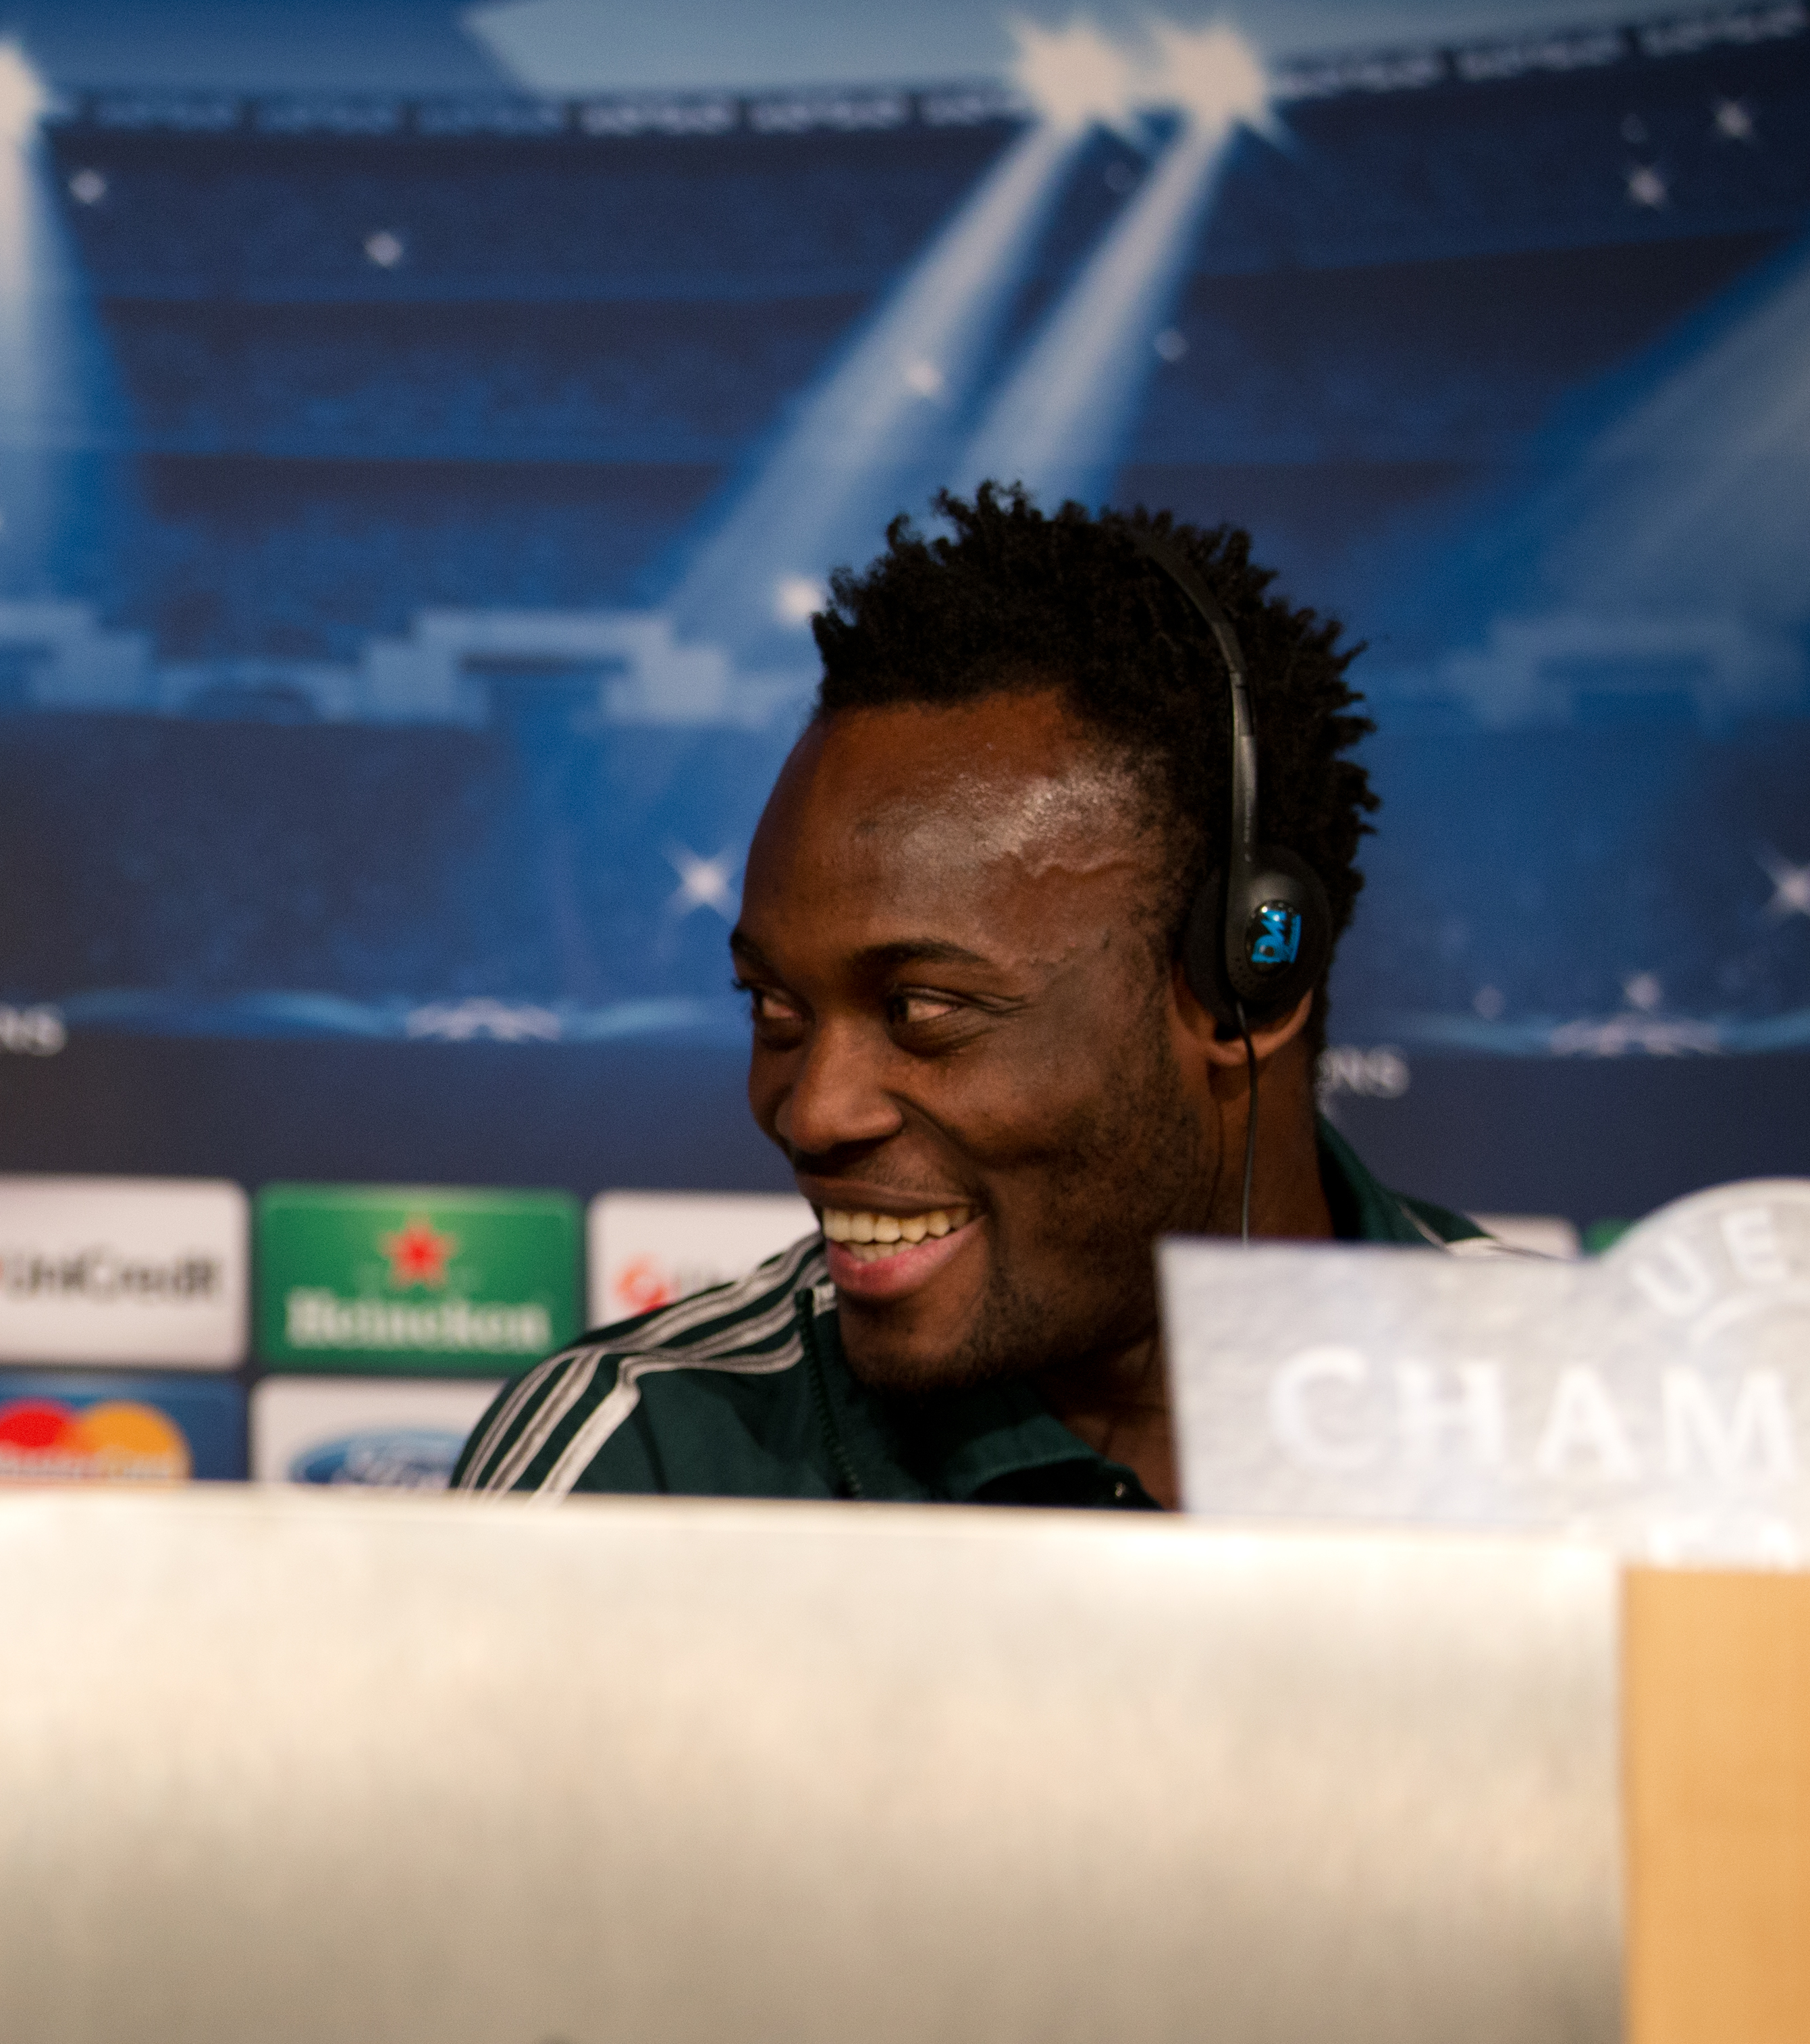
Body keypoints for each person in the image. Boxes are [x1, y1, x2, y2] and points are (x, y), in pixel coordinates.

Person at [455, 485, 1512, 1508]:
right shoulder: (634, 1474)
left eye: (921, 1008)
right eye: (775, 1007)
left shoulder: (1625, 1427)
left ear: (1248, 982)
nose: (813, 1114)